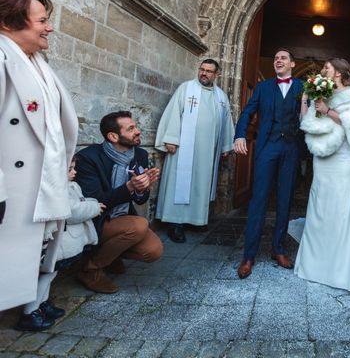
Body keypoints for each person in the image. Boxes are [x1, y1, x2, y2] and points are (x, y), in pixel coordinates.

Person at [0, 0, 78, 330]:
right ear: (8, 24)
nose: (49, 27)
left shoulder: (38, 63)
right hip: (14, 185)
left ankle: (34, 304)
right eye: (41, 21)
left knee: (42, 247)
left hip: (43, 180)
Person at [294, 58, 350, 291]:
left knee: (341, 210)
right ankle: (315, 266)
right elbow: (308, 123)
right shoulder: (323, 94)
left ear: (338, 73)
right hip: (323, 158)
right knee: (320, 208)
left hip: (344, 157)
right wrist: (306, 102)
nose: (323, 71)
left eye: (326, 68)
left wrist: (328, 111)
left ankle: (340, 272)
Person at [75, 111, 164, 294]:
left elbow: (141, 199)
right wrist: (130, 187)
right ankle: (90, 270)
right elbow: (95, 201)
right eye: (131, 128)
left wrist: (142, 188)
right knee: (140, 225)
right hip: (96, 219)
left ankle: (109, 255)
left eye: (136, 126)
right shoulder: (88, 158)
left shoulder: (139, 154)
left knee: (153, 250)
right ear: (113, 136)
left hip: (122, 217)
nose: (138, 131)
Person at [234, 49, 304, 279]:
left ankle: (278, 248)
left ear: (292, 64)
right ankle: (249, 255)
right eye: (275, 58)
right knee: (259, 199)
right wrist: (240, 135)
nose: (278, 60)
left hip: (292, 148)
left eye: (283, 58)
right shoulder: (263, 87)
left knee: (285, 200)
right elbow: (248, 111)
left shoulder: (302, 88)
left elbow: (313, 116)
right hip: (267, 147)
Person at [16, 157, 105, 331]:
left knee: (50, 273)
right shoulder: (57, 191)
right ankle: (30, 312)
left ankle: (42, 304)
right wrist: (94, 207)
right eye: (70, 169)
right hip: (57, 243)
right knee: (47, 274)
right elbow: (71, 211)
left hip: (64, 243)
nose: (74, 172)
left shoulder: (70, 185)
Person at [155, 59, 234, 243]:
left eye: (209, 71)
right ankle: (175, 223)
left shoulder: (221, 97)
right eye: (202, 69)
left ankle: (195, 220)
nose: (204, 74)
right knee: (179, 183)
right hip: (183, 148)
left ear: (216, 74)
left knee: (200, 183)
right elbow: (174, 111)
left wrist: (225, 146)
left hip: (207, 152)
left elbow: (227, 122)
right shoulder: (186, 88)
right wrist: (171, 139)